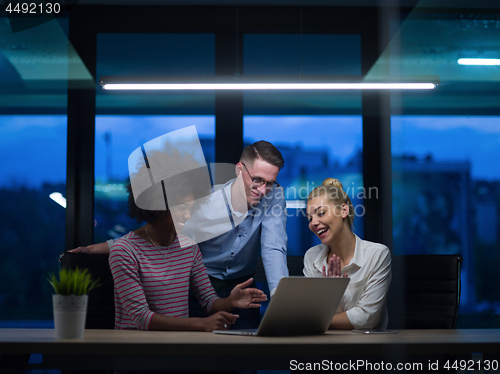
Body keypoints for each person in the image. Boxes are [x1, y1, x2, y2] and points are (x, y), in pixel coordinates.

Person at [72, 140, 288, 330]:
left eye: (270, 183)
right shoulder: (202, 199)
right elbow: (153, 231)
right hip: (195, 288)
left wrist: (279, 302)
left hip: (238, 286)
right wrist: (101, 247)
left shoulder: (274, 197)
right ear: (240, 170)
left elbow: (273, 249)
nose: (263, 190)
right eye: (258, 180)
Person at [304, 177, 391, 330]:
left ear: (344, 210)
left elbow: (366, 318)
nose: (313, 223)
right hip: (323, 348)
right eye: (310, 218)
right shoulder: (312, 257)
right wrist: (330, 294)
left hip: (367, 349)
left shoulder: (377, 254)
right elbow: (309, 312)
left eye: (321, 213)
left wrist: (318, 320)